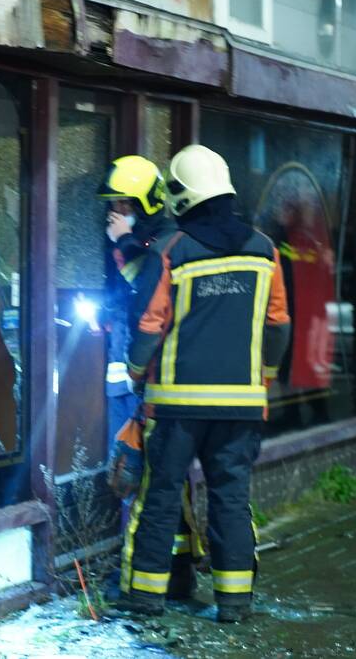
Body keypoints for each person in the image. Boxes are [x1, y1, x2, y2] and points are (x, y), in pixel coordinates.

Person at [116, 145, 290, 622]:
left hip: (176, 406)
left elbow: (150, 324)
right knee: (231, 498)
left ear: (181, 195)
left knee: (161, 495)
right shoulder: (265, 250)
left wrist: (134, 373)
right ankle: (235, 603)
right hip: (241, 407)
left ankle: (145, 599)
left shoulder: (174, 250)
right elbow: (278, 326)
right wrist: (266, 378)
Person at [98, 155, 204, 601]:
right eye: (114, 204)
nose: (114, 213)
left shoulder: (158, 244)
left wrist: (122, 245)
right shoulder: (148, 241)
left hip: (148, 384)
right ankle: (176, 573)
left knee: (143, 484)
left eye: (122, 204)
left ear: (144, 204)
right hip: (142, 381)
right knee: (161, 484)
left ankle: (143, 583)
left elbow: (146, 305)